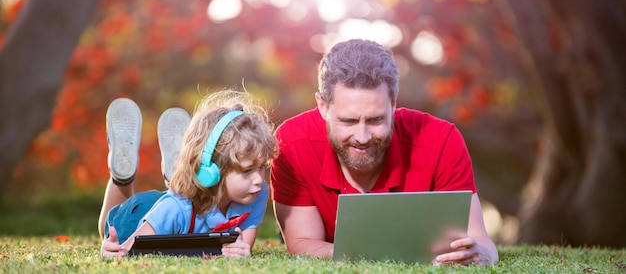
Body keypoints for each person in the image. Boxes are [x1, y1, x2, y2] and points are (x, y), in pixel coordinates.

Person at [270, 39, 499, 265]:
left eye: (376, 119)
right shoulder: (292, 143)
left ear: (393, 103)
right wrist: (372, 260)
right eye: (348, 121)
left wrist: (480, 255)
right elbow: (303, 241)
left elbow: (480, 241)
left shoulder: (441, 140)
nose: (362, 137)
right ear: (322, 106)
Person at [98, 89, 278, 258]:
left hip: (179, 208)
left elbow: (243, 245)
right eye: (247, 170)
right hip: (138, 214)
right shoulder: (176, 207)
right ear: (210, 171)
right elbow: (125, 251)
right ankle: (121, 179)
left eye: (262, 166)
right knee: (109, 223)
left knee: (177, 206)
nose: (259, 179)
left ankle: (177, 174)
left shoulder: (256, 192)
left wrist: (239, 251)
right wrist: (112, 250)